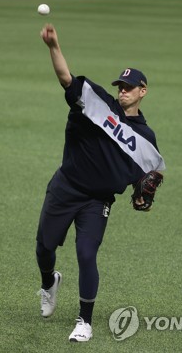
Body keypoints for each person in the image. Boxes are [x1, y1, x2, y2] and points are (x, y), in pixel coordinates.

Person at [35, 24, 165, 342]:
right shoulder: (98, 105)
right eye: (120, 85)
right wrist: (54, 46)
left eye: (130, 87)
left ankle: (84, 321)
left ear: (142, 91)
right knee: (44, 247)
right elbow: (67, 79)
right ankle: (49, 282)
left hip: (98, 201)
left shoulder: (144, 137)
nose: (123, 90)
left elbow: (148, 177)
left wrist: (141, 198)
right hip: (66, 186)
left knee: (86, 253)